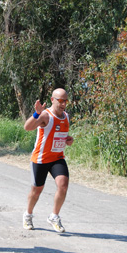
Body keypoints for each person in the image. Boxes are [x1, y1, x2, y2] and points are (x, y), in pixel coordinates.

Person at [22, 88, 74, 233]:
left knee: (63, 185)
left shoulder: (66, 116)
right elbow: (27, 127)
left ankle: (54, 216)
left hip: (57, 158)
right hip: (40, 159)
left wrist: (68, 140)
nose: (63, 104)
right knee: (37, 190)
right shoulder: (46, 116)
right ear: (52, 100)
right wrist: (37, 113)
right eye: (60, 101)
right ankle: (28, 215)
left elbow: (61, 135)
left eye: (65, 101)